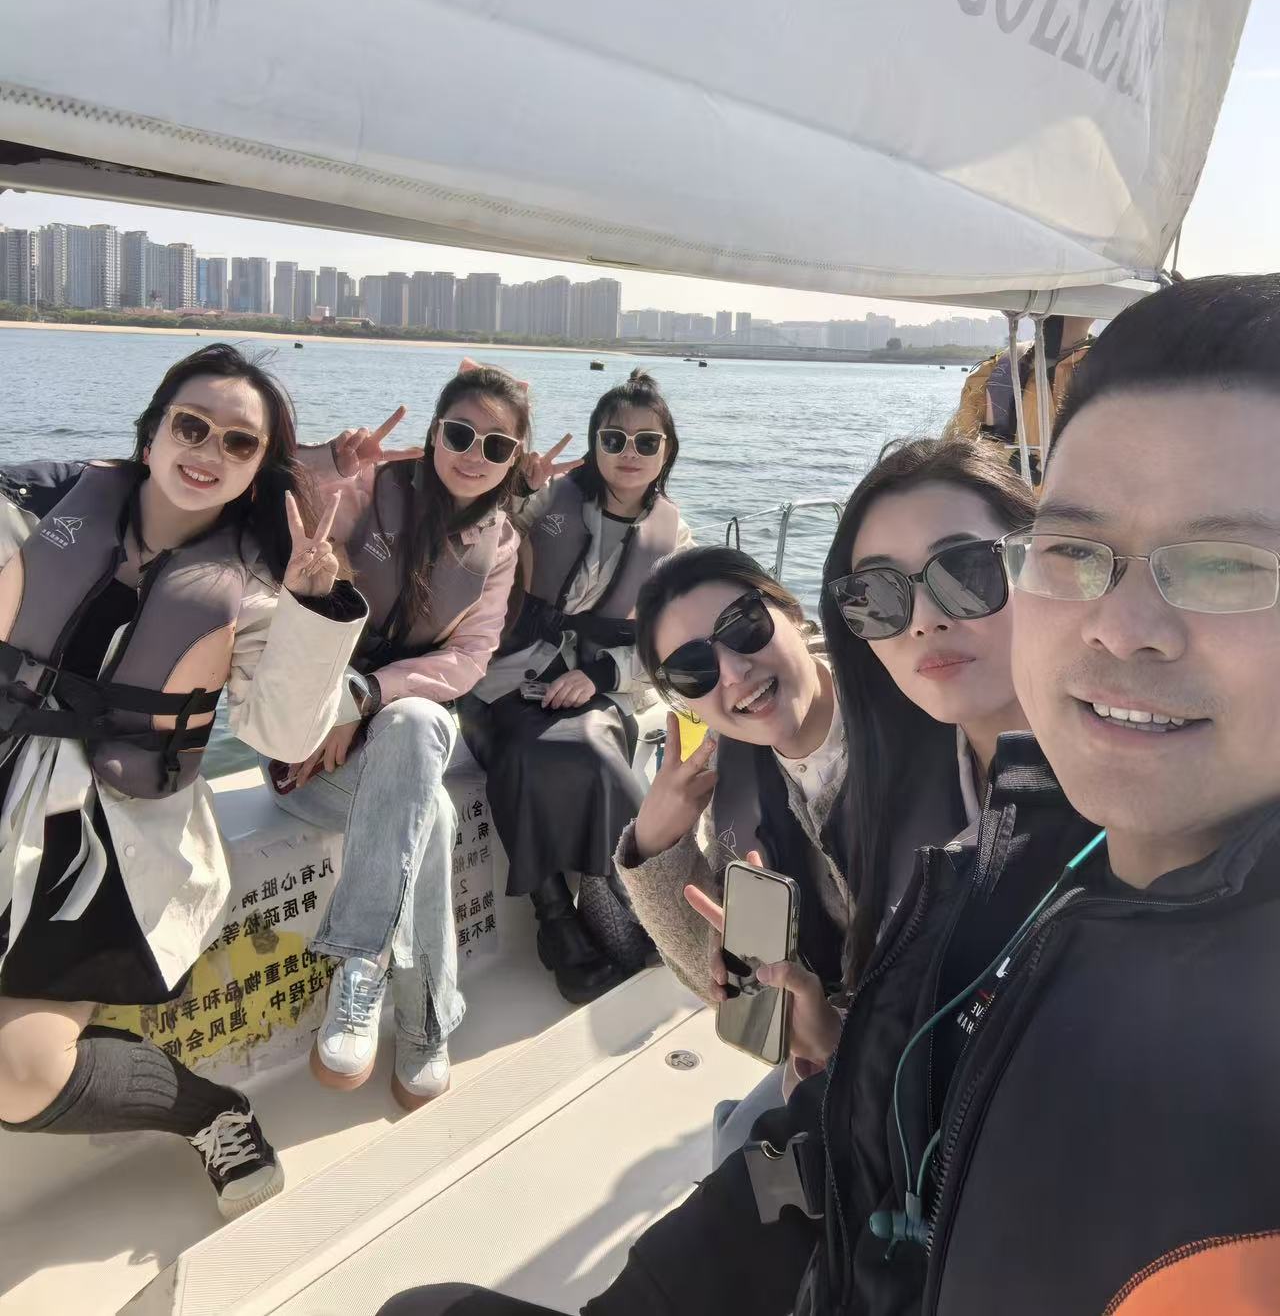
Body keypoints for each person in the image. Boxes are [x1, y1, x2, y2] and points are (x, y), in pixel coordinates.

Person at [382, 272, 1280, 1316]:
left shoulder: (967, 780)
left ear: (791, 617)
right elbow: (754, 998)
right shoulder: (868, 802)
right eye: (1080, 555)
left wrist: (831, 1035)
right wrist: (660, 858)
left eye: (1228, 567)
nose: (1122, 627)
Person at [0, 344, 366, 1219]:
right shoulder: (38, 510)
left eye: (239, 443)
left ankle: (207, 1110)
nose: (208, 451)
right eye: (192, 426)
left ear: (256, 468)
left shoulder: (253, 589)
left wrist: (315, 608)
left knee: (21, 1071)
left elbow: (283, 734)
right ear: (153, 431)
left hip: (105, 848)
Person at [622, 439, 1033, 1164]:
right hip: (844, 1071)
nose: (732, 671)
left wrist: (842, 1046)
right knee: (739, 1146)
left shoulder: (935, 704)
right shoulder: (738, 775)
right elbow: (736, 990)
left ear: (792, 613)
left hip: (930, 1102)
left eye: (744, 628)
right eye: (691, 670)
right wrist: (656, 846)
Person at [275, 362, 528, 1109]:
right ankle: (424, 1023)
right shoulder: (370, 488)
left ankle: (359, 964)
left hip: (391, 731)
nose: (474, 455)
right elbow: (273, 491)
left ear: (514, 460)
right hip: (307, 747)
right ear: (434, 431)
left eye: (497, 446)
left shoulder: (500, 545)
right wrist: (330, 461)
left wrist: (366, 695)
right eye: (460, 434)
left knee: (418, 722)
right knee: (434, 815)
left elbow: (470, 658)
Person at [460, 370, 692, 1005]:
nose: (628, 453)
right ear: (593, 444)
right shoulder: (547, 501)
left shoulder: (675, 541)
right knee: (517, 747)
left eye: (647, 442)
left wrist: (602, 673)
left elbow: (678, 647)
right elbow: (475, 539)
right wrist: (512, 489)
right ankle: (555, 920)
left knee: (591, 752)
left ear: (667, 451)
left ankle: (616, 905)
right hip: (506, 675)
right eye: (613, 438)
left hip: (604, 686)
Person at [950, 314, 1092, 481]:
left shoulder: (1108, 369)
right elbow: (961, 452)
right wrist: (1010, 460)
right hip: (1013, 492)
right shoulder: (998, 370)